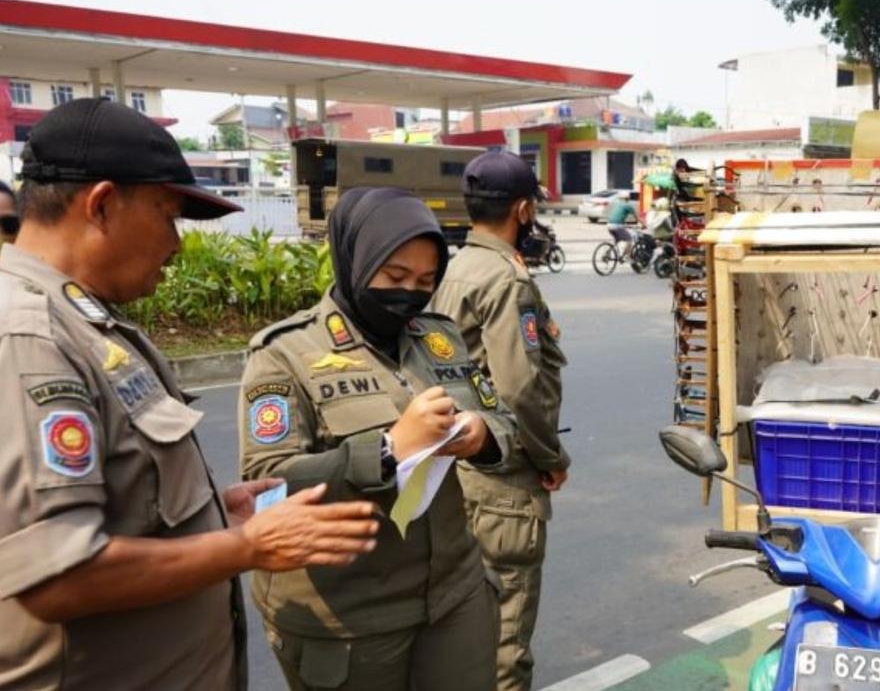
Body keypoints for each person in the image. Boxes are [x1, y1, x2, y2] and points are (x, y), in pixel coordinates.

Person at [0, 98, 379, 690]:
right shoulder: (28, 336)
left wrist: (208, 514)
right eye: (167, 214)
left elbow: (118, 497)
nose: (176, 245)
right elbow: (59, 575)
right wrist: (246, 546)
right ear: (100, 205)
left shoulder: (87, 321)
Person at [239, 186, 518, 691]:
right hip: (349, 615)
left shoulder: (439, 336)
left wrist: (481, 435)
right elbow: (265, 486)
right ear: (353, 259)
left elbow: (501, 418)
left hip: (452, 595)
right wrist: (388, 450)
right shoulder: (284, 353)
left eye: (425, 280)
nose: (409, 292)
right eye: (394, 276)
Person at [431, 151, 571, 691]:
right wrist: (551, 457)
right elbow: (520, 387)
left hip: (452, 467)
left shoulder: (452, 268)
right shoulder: (505, 280)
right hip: (500, 476)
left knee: (460, 628)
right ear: (523, 208)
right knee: (505, 641)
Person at [607, 190, 639, 259]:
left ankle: (608, 253)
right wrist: (644, 225)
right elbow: (637, 218)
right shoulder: (628, 205)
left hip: (609, 225)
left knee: (617, 240)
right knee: (629, 239)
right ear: (628, 198)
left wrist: (625, 224)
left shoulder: (617, 204)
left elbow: (617, 216)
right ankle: (625, 256)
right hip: (617, 226)